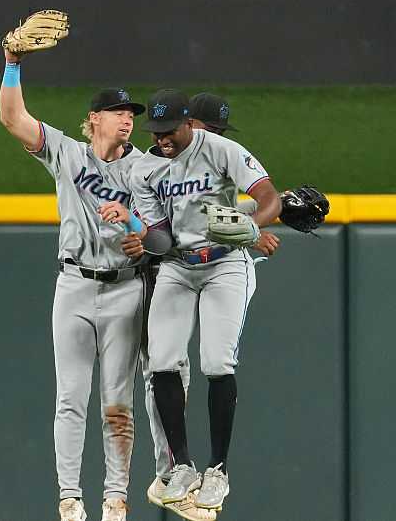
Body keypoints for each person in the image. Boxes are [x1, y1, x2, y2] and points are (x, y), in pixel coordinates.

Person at [0, 41, 147, 521]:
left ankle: (116, 498)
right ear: (95, 118)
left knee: (117, 400)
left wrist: (136, 229)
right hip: (75, 286)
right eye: (118, 111)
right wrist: (12, 65)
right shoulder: (67, 153)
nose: (127, 119)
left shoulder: (145, 167)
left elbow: (161, 229)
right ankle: (69, 499)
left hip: (126, 287)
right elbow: (13, 119)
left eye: (131, 113)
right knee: (70, 397)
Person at [116, 88, 282, 515]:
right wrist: (140, 232)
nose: (162, 139)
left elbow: (270, 199)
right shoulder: (146, 170)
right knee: (163, 361)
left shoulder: (222, 150)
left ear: (189, 122)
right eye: (156, 132)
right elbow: (161, 235)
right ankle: (183, 466)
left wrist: (248, 224)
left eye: (169, 130)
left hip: (225, 265)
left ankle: (219, 470)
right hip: (178, 264)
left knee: (216, 362)